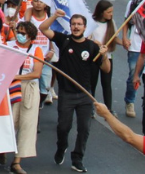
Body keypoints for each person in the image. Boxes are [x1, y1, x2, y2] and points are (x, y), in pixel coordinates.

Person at [39, 10, 111, 173]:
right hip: (66, 94)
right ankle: (61, 146)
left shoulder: (92, 47)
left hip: (85, 95)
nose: (76, 27)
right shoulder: (63, 40)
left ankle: (77, 158)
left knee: (84, 128)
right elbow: (43, 28)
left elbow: (106, 69)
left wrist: (104, 56)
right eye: (73, 24)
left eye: (79, 24)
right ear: (70, 26)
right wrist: (55, 16)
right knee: (63, 127)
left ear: (85, 27)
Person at [6, 22, 44, 174]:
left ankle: (17, 161)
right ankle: (1, 150)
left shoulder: (36, 50)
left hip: (28, 88)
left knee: (26, 123)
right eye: (18, 31)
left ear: (31, 36)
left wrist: (16, 76)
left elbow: (36, 73)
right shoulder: (8, 45)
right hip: (9, 88)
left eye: (24, 33)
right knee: (8, 121)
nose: (20, 35)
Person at [89, 0, 118, 114]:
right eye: (109, 12)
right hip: (94, 57)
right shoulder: (92, 22)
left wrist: (125, 42)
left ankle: (108, 109)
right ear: (102, 12)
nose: (111, 14)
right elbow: (87, 37)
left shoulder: (111, 23)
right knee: (92, 83)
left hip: (107, 57)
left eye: (112, 12)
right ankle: (91, 107)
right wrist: (93, 42)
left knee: (106, 83)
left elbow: (115, 38)